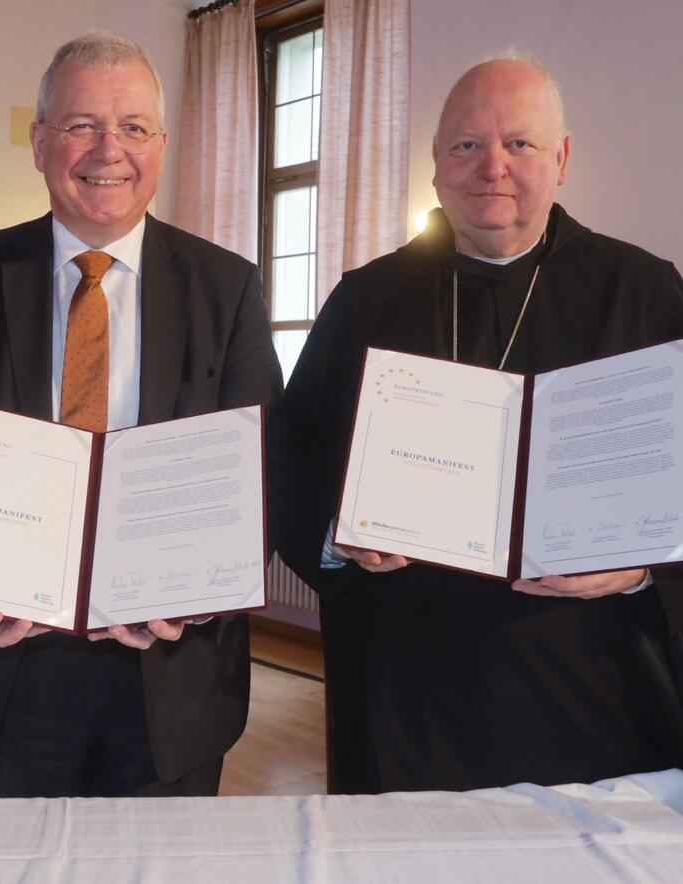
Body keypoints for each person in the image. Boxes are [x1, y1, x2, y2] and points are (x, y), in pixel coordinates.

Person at [0, 32, 282, 798]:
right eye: (80, 125)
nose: (110, 149)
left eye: (133, 127)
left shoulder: (226, 288)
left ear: (161, 145)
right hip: (5, 668)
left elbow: (260, 471)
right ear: (39, 143)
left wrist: (196, 595)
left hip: (171, 678)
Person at [278, 57, 683, 794]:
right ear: (435, 164)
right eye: (465, 146)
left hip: (597, 694)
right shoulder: (365, 301)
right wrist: (340, 536)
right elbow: (288, 466)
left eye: (519, 145)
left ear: (561, 159)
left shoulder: (648, 292)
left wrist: (648, 563)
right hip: (408, 699)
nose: (491, 167)